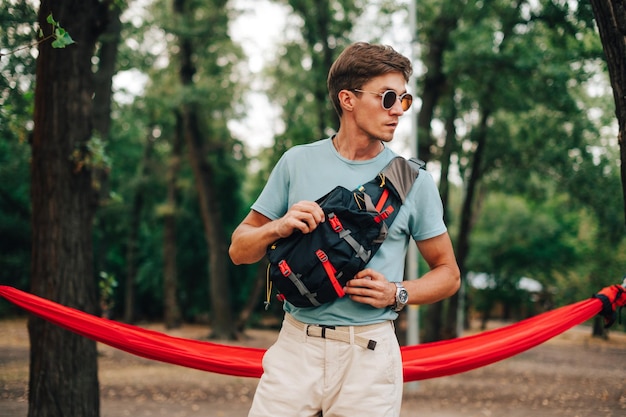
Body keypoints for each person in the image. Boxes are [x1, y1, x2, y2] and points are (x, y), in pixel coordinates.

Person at [229, 42, 460, 417]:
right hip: (295, 347)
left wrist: (397, 292)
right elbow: (239, 250)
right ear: (347, 100)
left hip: (368, 356)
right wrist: (278, 227)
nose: (398, 111)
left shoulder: (413, 181)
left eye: (404, 99)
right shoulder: (296, 162)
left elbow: (449, 275)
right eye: (388, 98)